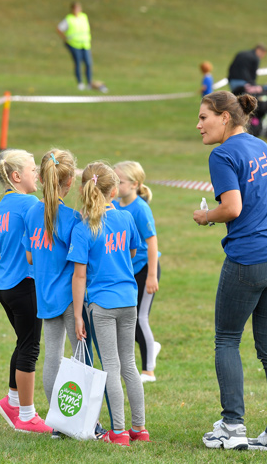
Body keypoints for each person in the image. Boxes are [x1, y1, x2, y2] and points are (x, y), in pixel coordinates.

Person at [194, 91, 267, 451]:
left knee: (226, 339)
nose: (198, 125)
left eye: (204, 117)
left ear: (225, 117)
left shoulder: (222, 153)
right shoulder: (264, 147)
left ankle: (232, 427)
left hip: (250, 258)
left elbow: (233, 208)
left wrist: (206, 217)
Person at [67, 162, 148, 446]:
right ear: (114, 190)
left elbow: (79, 276)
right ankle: (140, 428)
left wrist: (77, 315)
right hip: (129, 300)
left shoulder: (82, 228)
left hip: (101, 305)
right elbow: (134, 249)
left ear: (83, 190)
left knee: (111, 367)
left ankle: (120, 432)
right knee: (129, 365)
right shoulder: (126, 218)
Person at [22, 149, 90, 439]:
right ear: (70, 181)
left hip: (45, 295)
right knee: (81, 358)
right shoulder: (73, 218)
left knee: (52, 358)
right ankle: (84, 421)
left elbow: (29, 258)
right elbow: (80, 265)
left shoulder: (31, 212)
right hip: (71, 298)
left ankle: (58, 424)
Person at [0, 149, 52, 434]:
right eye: (31, 170)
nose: (37, 175)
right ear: (16, 176)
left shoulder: (2, 205)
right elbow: (37, 246)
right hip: (24, 284)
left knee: (22, 342)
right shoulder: (29, 203)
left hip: (4, 286)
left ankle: (12, 402)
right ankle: (27, 416)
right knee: (30, 348)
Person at [113, 161, 162, 383]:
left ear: (134, 184)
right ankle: (151, 347)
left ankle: (148, 371)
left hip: (145, 270)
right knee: (127, 319)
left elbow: (152, 243)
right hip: (127, 271)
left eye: (119, 181)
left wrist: (152, 275)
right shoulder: (114, 205)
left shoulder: (141, 209)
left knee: (140, 318)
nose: (115, 185)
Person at [56, 2, 106, 92]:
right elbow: (59, 28)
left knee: (88, 63)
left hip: (85, 44)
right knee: (78, 63)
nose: (77, 10)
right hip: (74, 44)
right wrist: (65, 38)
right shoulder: (69, 19)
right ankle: (80, 83)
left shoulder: (84, 17)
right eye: (75, 8)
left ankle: (89, 83)